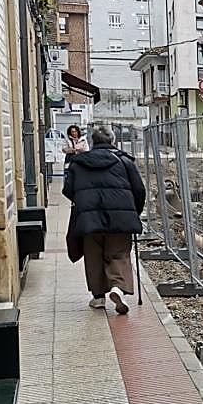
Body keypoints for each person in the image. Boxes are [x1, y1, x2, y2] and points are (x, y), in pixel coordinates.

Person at [62, 126, 146, 313]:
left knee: (93, 255)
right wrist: (134, 212)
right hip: (120, 217)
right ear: (112, 141)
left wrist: (85, 202)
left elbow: (68, 190)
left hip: (89, 218)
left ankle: (98, 297)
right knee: (118, 253)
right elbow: (139, 190)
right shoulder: (125, 161)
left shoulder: (78, 163)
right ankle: (118, 287)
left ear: (93, 143)